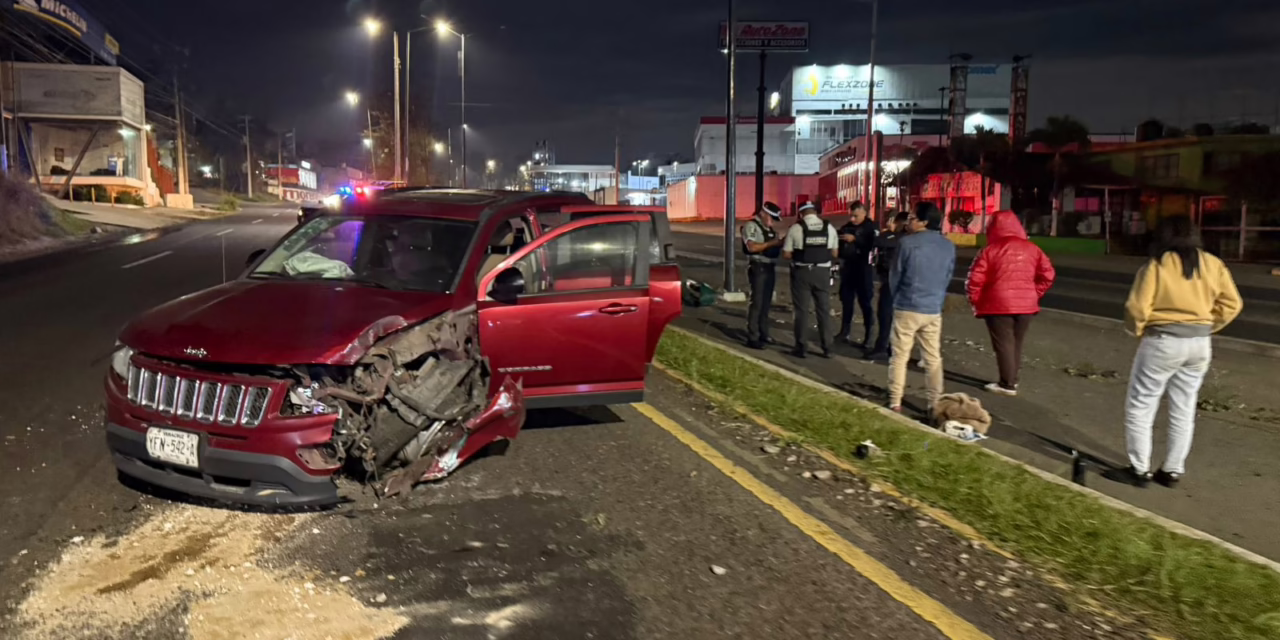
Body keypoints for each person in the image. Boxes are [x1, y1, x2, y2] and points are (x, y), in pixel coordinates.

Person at [1118, 215, 1242, 488]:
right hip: (1199, 345)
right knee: (1184, 408)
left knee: (1141, 404)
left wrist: (1137, 330)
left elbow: (1136, 308)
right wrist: (1209, 326)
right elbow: (1233, 303)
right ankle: (1172, 470)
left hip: (1162, 341)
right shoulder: (1213, 264)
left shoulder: (1157, 265)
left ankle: (1139, 469)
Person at [965, 210, 1057, 396]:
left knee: (1004, 344)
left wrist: (976, 301)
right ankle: (1012, 379)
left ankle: (1007, 384)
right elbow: (1048, 275)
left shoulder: (990, 250)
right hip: (1026, 307)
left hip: (998, 305)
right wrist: (1033, 294)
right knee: (1016, 343)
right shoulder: (1033, 248)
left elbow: (975, 280)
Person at [887, 203, 955, 412]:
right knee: (933, 358)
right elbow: (947, 276)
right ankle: (934, 403)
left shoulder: (907, 244)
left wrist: (896, 297)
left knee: (899, 356)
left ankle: (895, 401)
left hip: (907, 305)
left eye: (913, 218)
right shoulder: (948, 245)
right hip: (932, 308)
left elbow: (895, 275)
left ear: (924, 222)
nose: (909, 222)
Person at [783, 201, 839, 358]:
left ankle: (801, 347)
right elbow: (834, 253)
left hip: (802, 273)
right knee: (824, 310)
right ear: (815, 211)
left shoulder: (796, 228)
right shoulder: (829, 228)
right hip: (822, 273)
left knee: (801, 311)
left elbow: (786, 254)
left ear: (801, 213)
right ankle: (827, 348)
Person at [864, 210, 911, 361]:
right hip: (903, 283)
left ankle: (882, 347)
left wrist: (889, 231)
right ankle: (892, 347)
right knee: (896, 318)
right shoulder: (911, 238)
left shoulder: (900, 238)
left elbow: (879, 241)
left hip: (893, 282)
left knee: (886, 316)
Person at [741, 201, 786, 349]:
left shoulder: (770, 229)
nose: (772, 222)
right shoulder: (751, 226)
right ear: (763, 213)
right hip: (758, 267)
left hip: (769, 267)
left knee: (766, 303)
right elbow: (752, 247)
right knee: (757, 302)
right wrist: (773, 244)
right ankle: (753, 337)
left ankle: (763, 333)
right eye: (771, 218)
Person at [837, 201, 879, 347]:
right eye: (851, 216)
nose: (852, 219)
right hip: (848, 268)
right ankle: (845, 331)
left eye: (855, 216)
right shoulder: (847, 227)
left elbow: (873, 245)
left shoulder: (871, 227)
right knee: (846, 301)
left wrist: (855, 239)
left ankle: (869, 336)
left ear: (864, 213)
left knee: (865, 302)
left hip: (863, 269)